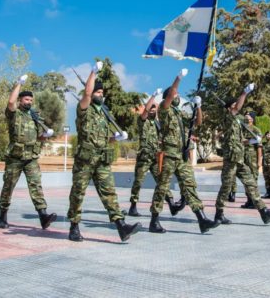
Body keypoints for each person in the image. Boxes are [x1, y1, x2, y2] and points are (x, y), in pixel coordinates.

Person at [67, 62, 141, 242]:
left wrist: (117, 137)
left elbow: (104, 138)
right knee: (78, 193)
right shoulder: (84, 109)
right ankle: (74, 227)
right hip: (85, 160)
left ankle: (121, 226)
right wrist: (93, 72)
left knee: (109, 193)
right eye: (98, 92)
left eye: (102, 93)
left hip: (101, 160)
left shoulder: (103, 114)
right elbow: (86, 93)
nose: (101, 95)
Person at [148, 69, 219, 234]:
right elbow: (171, 93)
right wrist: (178, 78)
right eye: (176, 95)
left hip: (182, 156)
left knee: (189, 186)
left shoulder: (180, 114)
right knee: (162, 187)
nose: (178, 96)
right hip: (169, 155)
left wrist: (198, 106)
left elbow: (198, 122)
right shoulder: (164, 111)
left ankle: (202, 219)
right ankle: (154, 221)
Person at [214, 83, 270, 225]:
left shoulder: (237, 121)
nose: (238, 108)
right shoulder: (228, 117)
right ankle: (219, 214)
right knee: (226, 187)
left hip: (239, 159)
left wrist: (250, 141)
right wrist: (245, 92)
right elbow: (237, 107)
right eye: (234, 105)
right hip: (231, 159)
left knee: (251, 184)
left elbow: (238, 139)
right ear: (230, 107)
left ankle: (264, 212)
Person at [0, 75, 58, 230]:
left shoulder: (35, 117)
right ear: (20, 101)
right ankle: (2, 216)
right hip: (15, 158)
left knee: (36, 186)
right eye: (26, 100)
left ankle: (43, 216)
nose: (29, 102)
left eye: (31, 100)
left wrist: (45, 136)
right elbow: (10, 102)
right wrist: (19, 83)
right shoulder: (14, 114)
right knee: (8, 186)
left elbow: (39, 137)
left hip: (31, 157)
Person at [127, 90, 183, 218]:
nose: (152, 110)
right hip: (144, 157)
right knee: (138, 182)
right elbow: (145, 112)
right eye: (151, 108)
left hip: (155, 157)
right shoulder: (143, 121)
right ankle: (133, 206)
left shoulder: (158, 124)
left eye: (154, 108)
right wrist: (152, 96)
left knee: (161, 181)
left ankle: (171, 203)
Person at [239, 112, 263, 209]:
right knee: (246, 180)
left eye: (248, 116)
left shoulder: (256, 130)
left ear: (252, 119)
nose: (246, 117)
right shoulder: (242, 129)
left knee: (253, 180)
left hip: (252, 158)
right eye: (245, 115)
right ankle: (249, 200)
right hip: (242, 157)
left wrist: (259, 161)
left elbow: (259, 147)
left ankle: (254, 201)